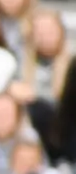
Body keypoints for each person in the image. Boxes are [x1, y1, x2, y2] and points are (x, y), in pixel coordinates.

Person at [10, 8, 69, 153]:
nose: (44, 36)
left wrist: (35, 96)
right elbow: (14, 89)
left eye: (50, 30)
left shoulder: (71, 63)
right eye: (39, 31)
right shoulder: (20, 61)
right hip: (30, 126)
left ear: (61, 32)